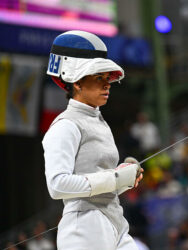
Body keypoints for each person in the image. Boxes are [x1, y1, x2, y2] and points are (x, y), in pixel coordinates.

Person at [42, 30, 144, 250]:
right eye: (99, 78)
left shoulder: (98, 121)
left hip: (114, 219)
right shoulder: (66, 125)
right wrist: (115, 178)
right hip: (85, 225)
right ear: (77, 82)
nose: (107, 84)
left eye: (107, 78)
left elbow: (103, 181)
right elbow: (57, 185)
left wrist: (125, 178)